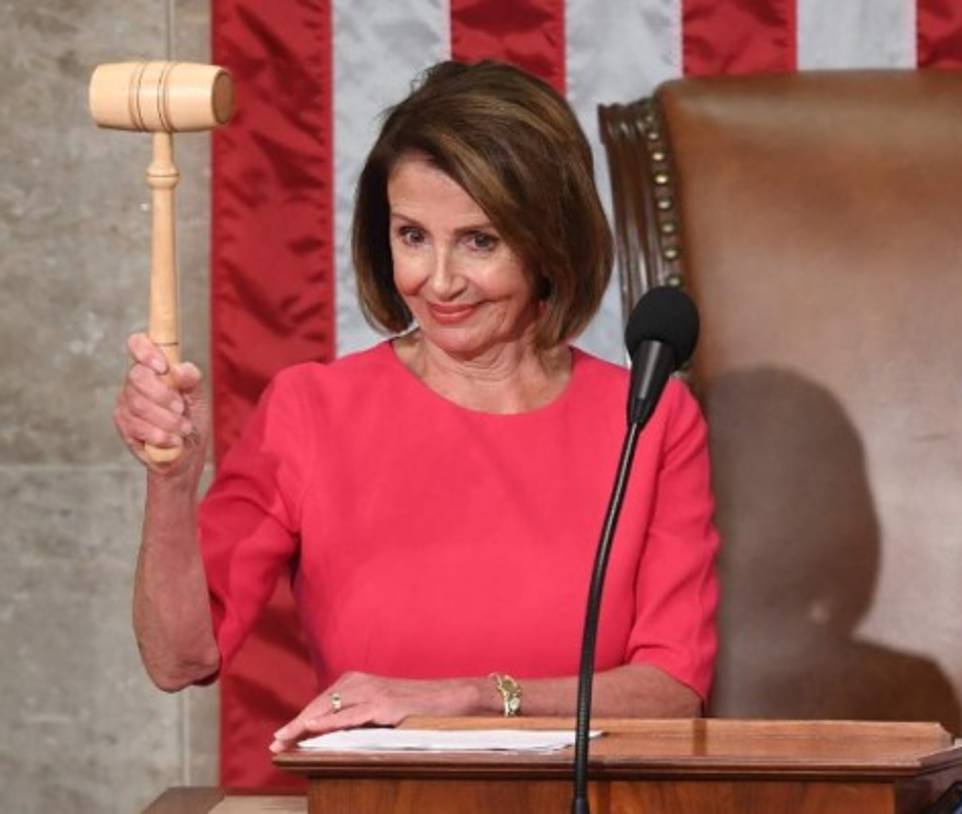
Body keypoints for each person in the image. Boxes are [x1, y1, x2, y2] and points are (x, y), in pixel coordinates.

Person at [112, 60, 720, 753]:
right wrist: (170, 481)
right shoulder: (313, 411)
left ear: (552, 242)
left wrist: (470, 697)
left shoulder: (649, 419)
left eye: (479, 241)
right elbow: (179, 659)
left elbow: (673, 689)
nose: (439, 281)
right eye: (412, 237)